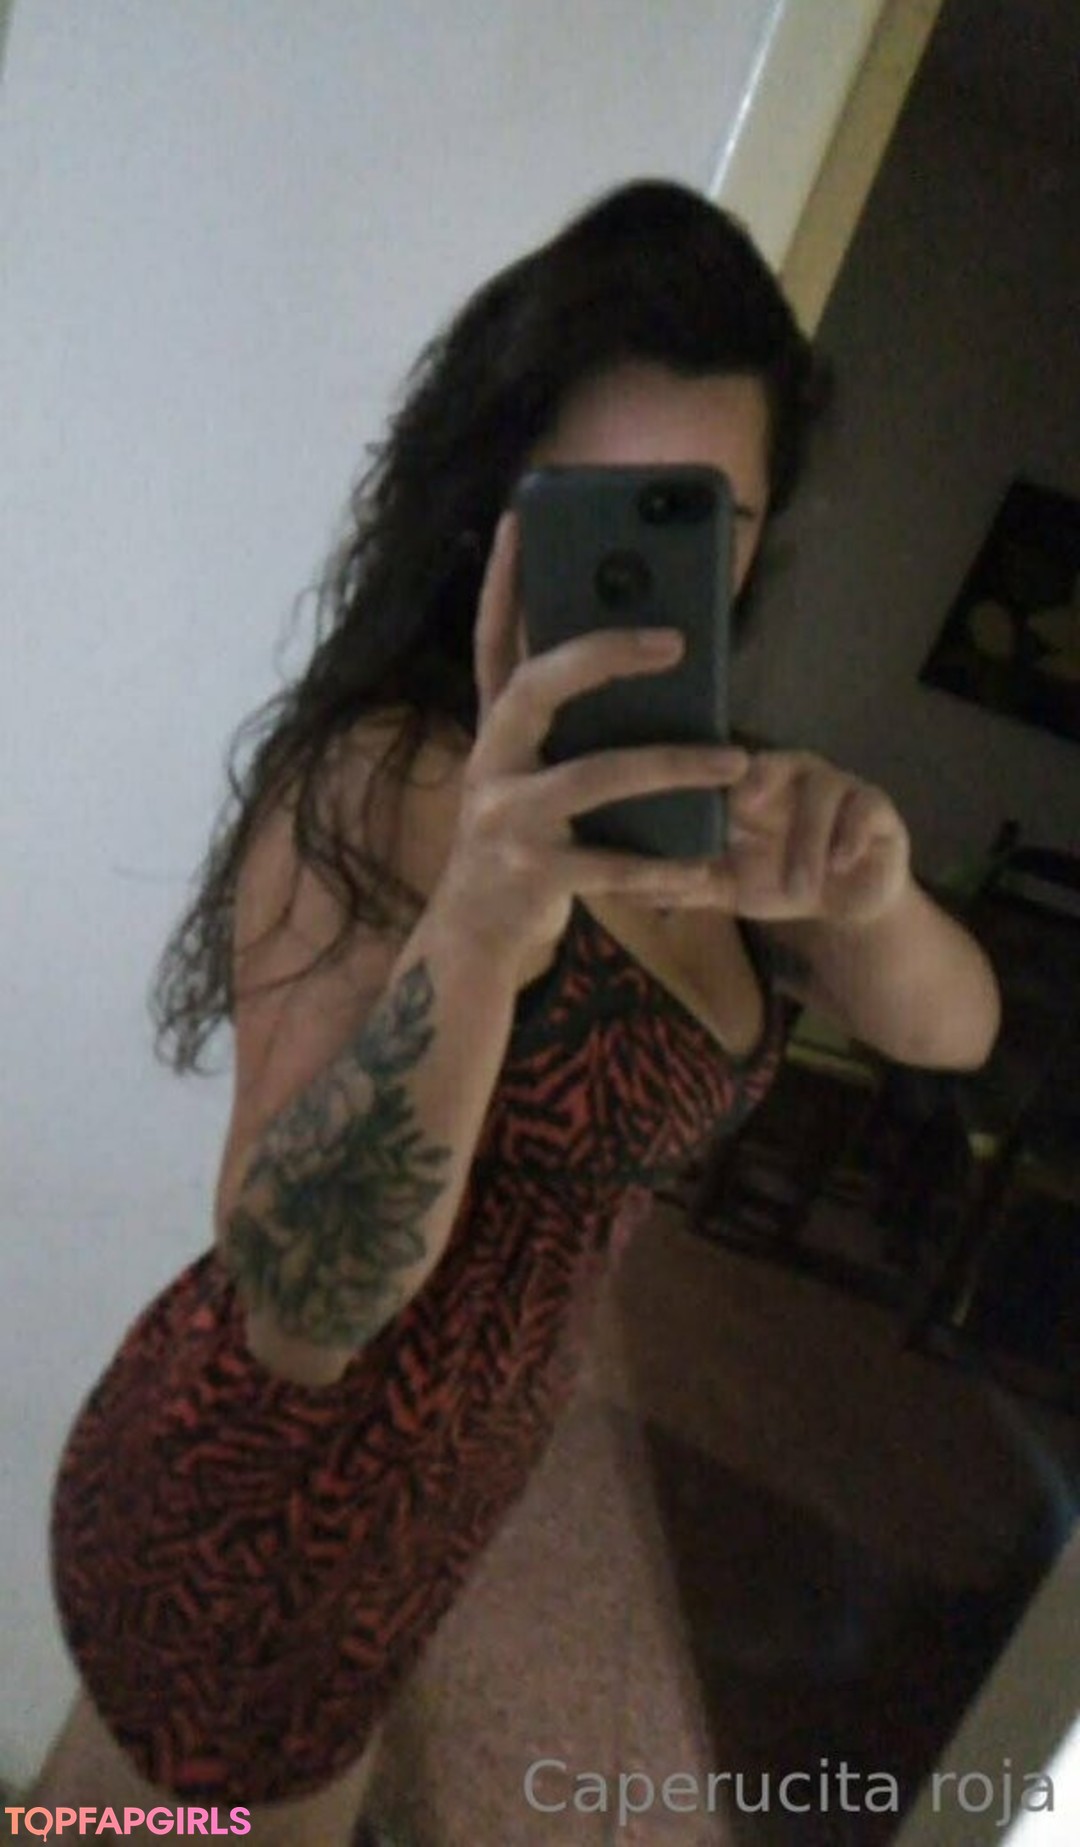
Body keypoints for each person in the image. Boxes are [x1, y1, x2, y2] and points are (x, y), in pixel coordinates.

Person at [28, 178, 1001, 1844]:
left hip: (427, 1514)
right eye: (598, 507)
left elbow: (952, 1034)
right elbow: (299, 1312)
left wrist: (873, 896)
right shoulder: (387, 783)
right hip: (253, 1508)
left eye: (705, 516)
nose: (648, 579)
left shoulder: (723, 805)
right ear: (498, 505)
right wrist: (480, 924)